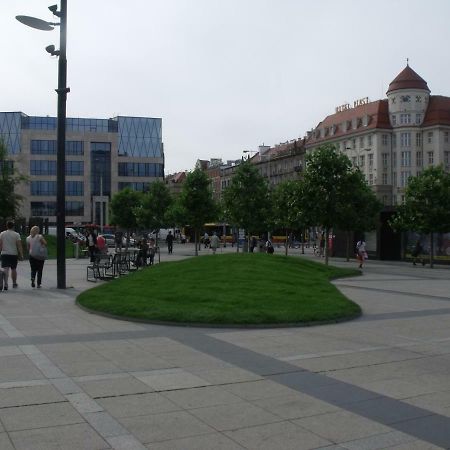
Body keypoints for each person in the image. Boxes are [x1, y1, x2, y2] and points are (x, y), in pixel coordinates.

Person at [0, 221, 24, 291]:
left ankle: (6, 284)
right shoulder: (16, 234)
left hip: (4, 253)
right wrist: (21, 254)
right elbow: (19, 245)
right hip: (13, 254)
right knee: (13, 269)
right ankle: (14, 283)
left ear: (7, 226)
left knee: (6, 269)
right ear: (13, 226)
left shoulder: (2, 234)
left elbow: (0, 244)